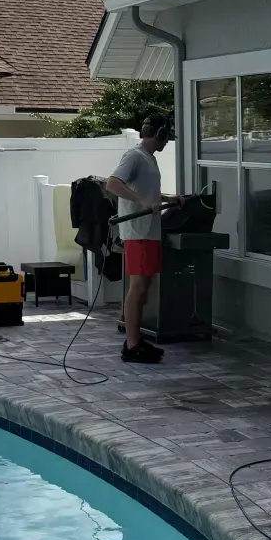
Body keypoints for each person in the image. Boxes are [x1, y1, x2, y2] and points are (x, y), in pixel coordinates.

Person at [103, 114, 176, 364]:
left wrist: (169, 199)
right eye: (167, 136)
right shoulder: (134, 156)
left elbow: (147, 192)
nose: (168, 141)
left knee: (144, 288)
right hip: (138, 232)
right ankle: (132, 346)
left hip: (150, 231)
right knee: (137, 288)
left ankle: (135, 339)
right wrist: (143, 202)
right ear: (159, 134)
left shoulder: (149, 160)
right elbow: (112, 184)